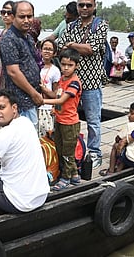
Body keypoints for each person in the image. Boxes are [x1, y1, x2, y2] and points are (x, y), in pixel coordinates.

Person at [57, 0, 109, 169]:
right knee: (69, 118)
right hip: (69, 81)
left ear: (95, 6)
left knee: (93, 120)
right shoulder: (71, 25)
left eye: (88, 5)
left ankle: (94, 152)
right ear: (77, 6)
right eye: (81, 5)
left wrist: (71, 45)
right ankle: (72, 151)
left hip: (91, 81)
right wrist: (75, 46)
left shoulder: (100, 25)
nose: (85, 8)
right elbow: (61, 47)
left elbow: (92, 49)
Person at [43, 48, 82, 191]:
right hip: (59, 120)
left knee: (67, 153)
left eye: (69, 65)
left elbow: (62, 100)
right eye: (63, 64)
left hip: (70, 123)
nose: (65, 68)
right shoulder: (62, 80)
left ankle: (65, 178)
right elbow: (57, 97)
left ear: (76, 66)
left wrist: (42, 101)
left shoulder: (74, 82)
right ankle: (75, 175)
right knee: (59, 148)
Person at [0, 0, 43, 126]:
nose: (26, 20)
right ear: (13, 17)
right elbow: (13, 72)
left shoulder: (28, 37)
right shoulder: (9, 39)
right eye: (22, 17)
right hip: (21, 100)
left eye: (29, 16)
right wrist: (33, 93)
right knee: (25, 137)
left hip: (31, 97)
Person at [99, 101, 134, 176]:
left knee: (116, 146)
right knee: (127, 148)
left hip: (133, 160)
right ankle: (119, 171)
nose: (128, 115)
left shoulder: (129, 125)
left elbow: (117, 139)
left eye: (132, 113)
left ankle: (111, 170)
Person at [38, 40, 61, 137]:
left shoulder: (55, 70)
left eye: (50, 49)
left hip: (46, 108)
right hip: (33, 107)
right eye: (45, 49)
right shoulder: (35, 66)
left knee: (46, 137)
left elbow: (56, 94)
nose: (47, 51)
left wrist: (43, 89)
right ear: (40, 50)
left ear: (54, 53)